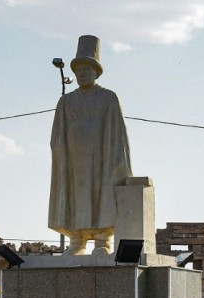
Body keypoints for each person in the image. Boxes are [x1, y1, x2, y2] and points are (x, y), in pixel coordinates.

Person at [48, 35, 133, 255]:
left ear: (96, 72)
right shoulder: (66, 101)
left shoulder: (108, 98)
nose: (82, 75)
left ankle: (102, 240)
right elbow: (57, 135)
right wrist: (61, 158)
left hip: (102, 159)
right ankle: (77, 239)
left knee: (101, 194)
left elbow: (118, 135)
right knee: (75, 195)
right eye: (78, 72)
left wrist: (114, 162)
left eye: (86, 70)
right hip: (74, 161)